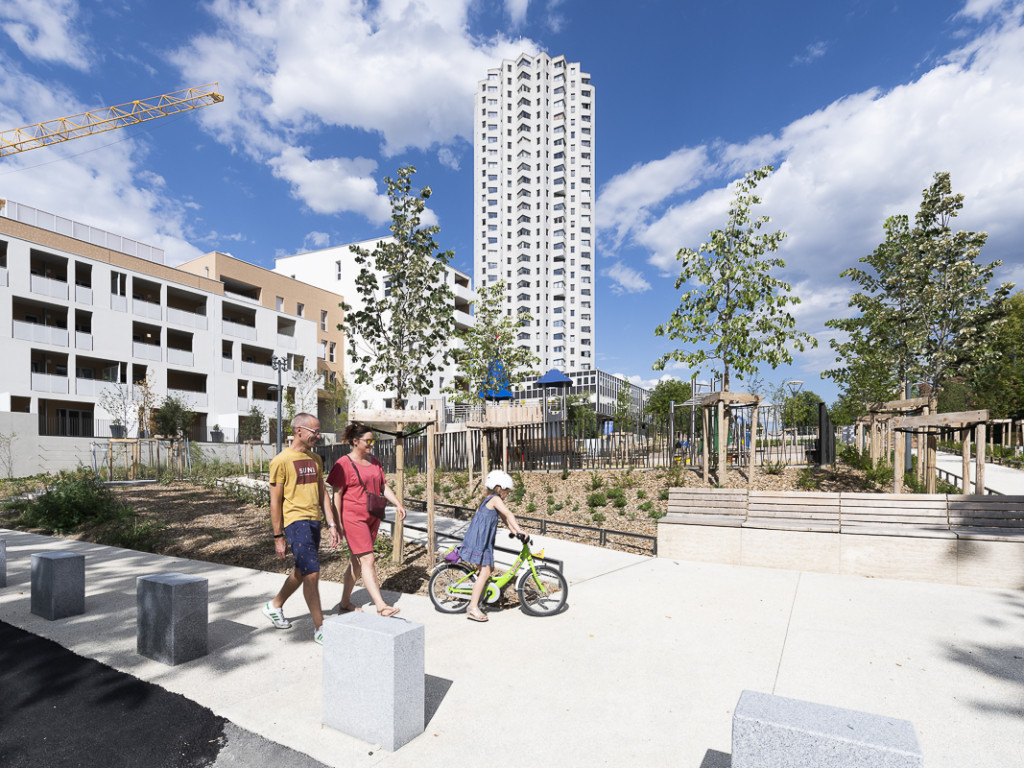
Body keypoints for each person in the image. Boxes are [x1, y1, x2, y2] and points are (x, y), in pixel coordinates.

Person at [261, 413, 340, 645]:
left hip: (313, 520)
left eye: (318, 432)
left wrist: (331, 523)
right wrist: (278, 536)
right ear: (299, 431)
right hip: (295, 521)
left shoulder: (315, 458)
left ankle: (274, 605)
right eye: (314, 431)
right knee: (312, 573)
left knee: (303, 569)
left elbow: (322, 493)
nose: (318, 436)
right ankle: (320, 628)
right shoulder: (280, 461)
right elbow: (275, 502)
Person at [327, 422, 407, 618]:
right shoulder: (343, 464)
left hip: (373, 515)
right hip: (353, 518)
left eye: (373, 440)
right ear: (355, 441)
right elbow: (336, 495)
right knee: (368, 559)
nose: (372, 444)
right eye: (368, 440)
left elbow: (382, 486)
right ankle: (381, 606)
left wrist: (397, 503)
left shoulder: (375, 462)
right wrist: (336, 524)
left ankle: (345, 603)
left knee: (356, 562)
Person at [459, 469, 525, 623]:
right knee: (485, 573)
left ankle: (479, 597)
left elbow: (505, 519)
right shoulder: (495, 499)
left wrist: (516, 532)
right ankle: (472, 607)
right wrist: (522, 531)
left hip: (482, 540)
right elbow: (509, 514)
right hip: (479, 541)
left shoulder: (490, 498)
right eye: (507, 491)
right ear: (499, 488)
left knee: (488, 570)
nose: (508, 493)